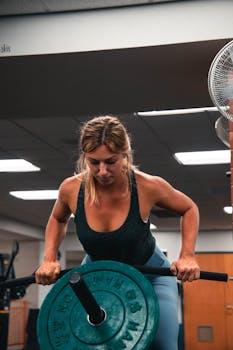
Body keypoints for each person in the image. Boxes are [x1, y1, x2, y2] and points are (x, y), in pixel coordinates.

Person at [35, 115, 200, 350]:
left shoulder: (147, 186)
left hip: (150, 276)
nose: (102, 171)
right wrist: (49, 258)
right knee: (93, 343)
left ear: (125, 154)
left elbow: (189, 208)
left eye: (110, 161)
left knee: (163, 343)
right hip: (98, 275)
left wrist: (187, 255)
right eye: (94, 162)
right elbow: (57, 218)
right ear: (85, 158)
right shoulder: (71, 189)